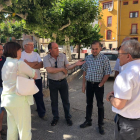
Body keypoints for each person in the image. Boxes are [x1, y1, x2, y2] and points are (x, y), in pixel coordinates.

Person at [1, 42, 37, 140]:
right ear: (14, 51)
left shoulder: (6, 63)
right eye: (19, 49)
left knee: (12, 128)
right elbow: (35, 74)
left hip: (7, 99)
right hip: (19, 100)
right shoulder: (19, 63)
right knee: (24, 130)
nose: (21, 51)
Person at [43, 42, 85, 126]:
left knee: (66, 101)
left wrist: (75, 64)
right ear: (50, 50)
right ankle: (55, 118)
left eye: (58, 47)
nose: (58, 49)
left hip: (63, 82)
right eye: (55, 48)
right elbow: (49, 70)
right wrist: (62, 68)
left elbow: (68, 67)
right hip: (52, 82)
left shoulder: (63, 56)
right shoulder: (46, 58)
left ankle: (68, 117)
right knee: (54, 101)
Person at [106, 40, 140, 140]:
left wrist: (111, 97)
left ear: (128, 56)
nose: (118, 57)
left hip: (129, 125)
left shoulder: (126, 75)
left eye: (119, 54)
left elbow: (119, 104)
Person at [80, 41, 112, 135]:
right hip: (89, 84)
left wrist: (101, 84)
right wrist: (83, 84)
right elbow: (84, 70)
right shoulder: (88, 58)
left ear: (100, 48)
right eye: (93, 49)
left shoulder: (104, 58)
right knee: (88, 104)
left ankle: (100, 124)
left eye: (96, 49)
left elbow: (107, 72)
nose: (94, 51)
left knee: (100, 105)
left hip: (99, 85)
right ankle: (88, 121)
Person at [21, 39, 46, 121]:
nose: (33, 46)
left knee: (39, 96)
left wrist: (28, 64)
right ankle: (25, 114)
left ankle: (42, 113)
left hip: (37, 78)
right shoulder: (21, 55)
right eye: (30, 45)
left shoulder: (36, 54)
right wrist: (35, 63)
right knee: (25, 97)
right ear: (25, 46)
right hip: (26, 79)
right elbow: (22, 67)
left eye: (33, 44)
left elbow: (41, 65)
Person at [0, 44, 6, 140]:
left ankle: (0, 128)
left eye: (2, 49)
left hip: (4, 87)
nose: (1, 51)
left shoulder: (4, 59)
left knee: (2, 109)